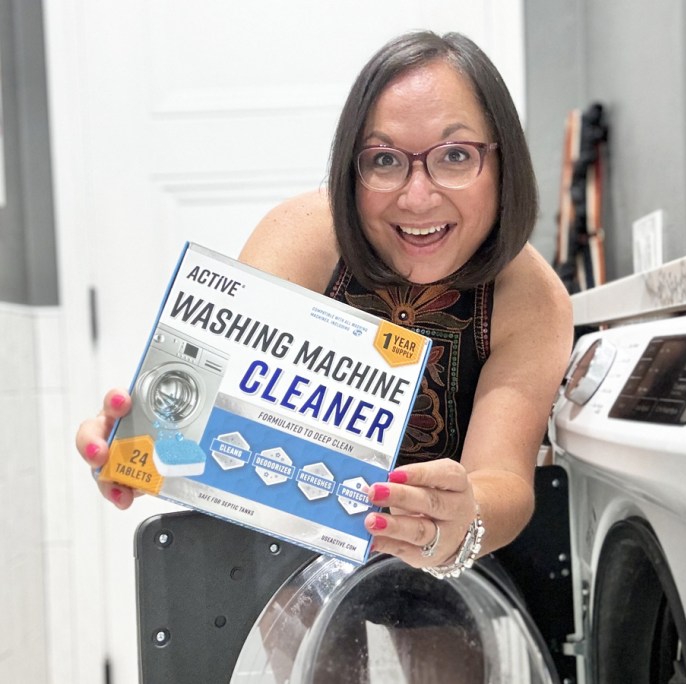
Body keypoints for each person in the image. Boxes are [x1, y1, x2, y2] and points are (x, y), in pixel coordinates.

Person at [75, 30, 572, 578]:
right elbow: (212, 408)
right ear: (350, 170)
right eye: (384, 160)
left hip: (446, 573)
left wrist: (463, 516)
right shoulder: (306, 235)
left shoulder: (531, 298)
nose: (418, 196)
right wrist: (140, 441)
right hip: (284, 557)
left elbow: (504, 478)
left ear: (504, 163)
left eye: (455, 155)